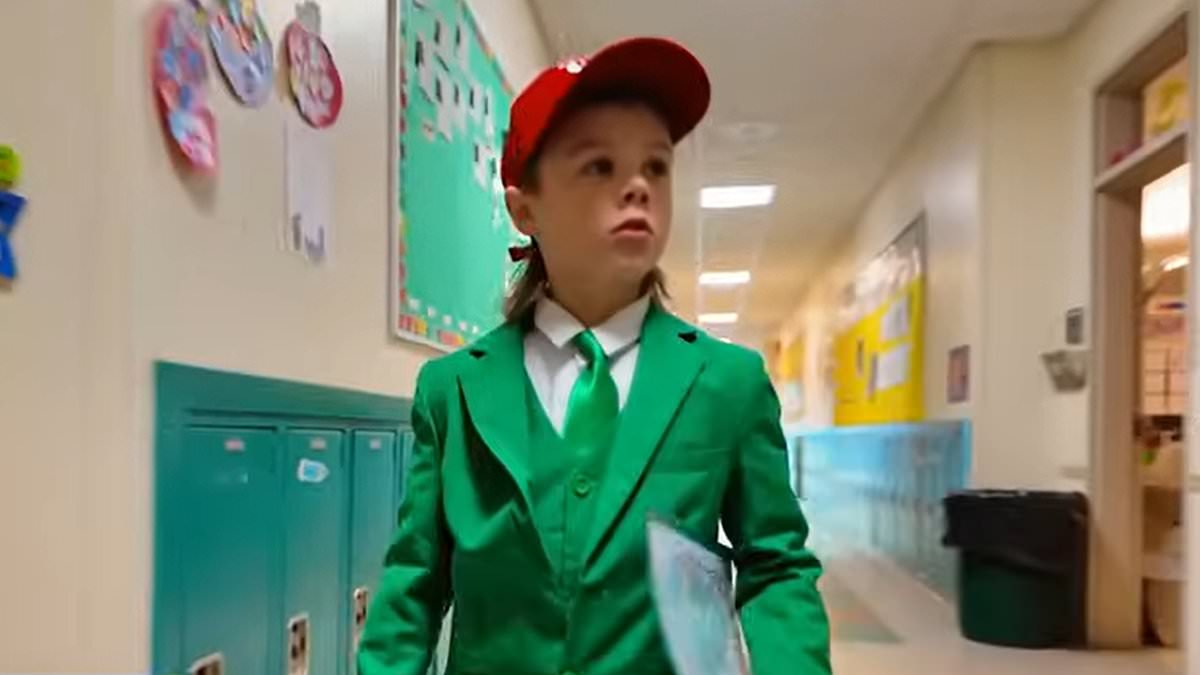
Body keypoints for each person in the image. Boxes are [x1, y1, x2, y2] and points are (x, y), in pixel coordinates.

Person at [358, 37, 831, 675]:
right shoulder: (452, 391)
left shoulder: (728, 383)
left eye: (656, 167)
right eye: (598, 166)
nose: (636, 185)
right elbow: (414, 584)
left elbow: (776, 565)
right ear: (526, 206)